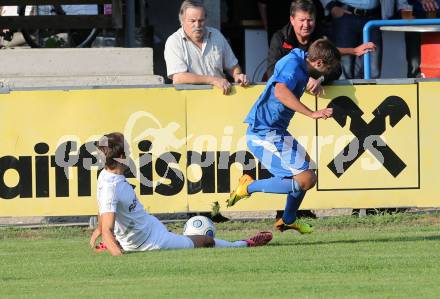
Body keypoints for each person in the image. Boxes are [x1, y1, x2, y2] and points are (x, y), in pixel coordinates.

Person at [89, 132, 272, 256]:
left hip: (150, 225)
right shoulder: (110, 186)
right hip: (152, 242)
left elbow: (104, 209)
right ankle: (244, 244)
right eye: (126, 148)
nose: (130, 150)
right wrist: (114, 248)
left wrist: (99, 228)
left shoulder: (106, 175)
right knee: (206, 241)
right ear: (121, 156)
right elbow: (108, 227)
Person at [226, 38, 341, 233]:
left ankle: (288, 219)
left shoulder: (302, 59)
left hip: (276, 131)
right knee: (305, 180)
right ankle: (248, 187)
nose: (326, 75)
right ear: (319, 63)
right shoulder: (293, 65)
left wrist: (353, 51)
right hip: (263, 132)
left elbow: (324, 50)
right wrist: (312, 113)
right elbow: (280, 92)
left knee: (308, 170)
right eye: (326, 71)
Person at [267, 0, 375, 94]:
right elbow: (272, 71)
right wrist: (303, 79)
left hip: (319, 97)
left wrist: (320, 79)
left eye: (310, 20)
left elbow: (336, 68)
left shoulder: (321, 35)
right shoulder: (280, 38)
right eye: (302, 20)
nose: (306, 25)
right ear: (292, 19)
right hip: (287, 96)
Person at [164, 0, 248, 95]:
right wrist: (213, 80)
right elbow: (179, 78)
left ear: (206, 20)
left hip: (221, 96)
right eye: (192, 21)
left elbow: (233, 66)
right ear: (182, 21)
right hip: (190, 100)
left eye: (201, 20)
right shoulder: (174, 41)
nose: (197, 25)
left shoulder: (216, 35)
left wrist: (237, 75)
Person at [405, 0, 440, 77]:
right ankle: (414, 86)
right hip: (414, 19)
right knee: (414, 65)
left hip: (437, 18)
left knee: (436, 64)